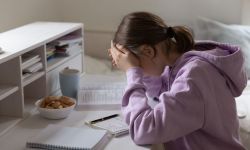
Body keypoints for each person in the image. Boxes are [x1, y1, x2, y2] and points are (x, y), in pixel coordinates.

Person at [108, 12, 247, 150]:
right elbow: (159, 90)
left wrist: (132, 72)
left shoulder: (193, 77)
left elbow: (143, 130)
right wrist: (135, 68)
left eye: (136, 63)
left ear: (148, 51)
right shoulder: (177, 62)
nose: (137, 69)